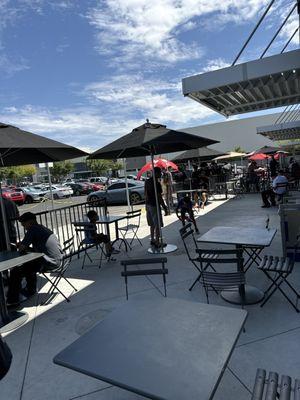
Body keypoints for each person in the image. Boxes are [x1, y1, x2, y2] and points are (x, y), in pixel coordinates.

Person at [6, 212, 63, 306]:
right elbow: (38, 248)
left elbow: (21, 248)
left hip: (49, 263)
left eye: (24, 225)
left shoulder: (33, 229)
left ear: (31, 222)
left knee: (16, 271)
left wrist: (20, 245)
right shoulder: (42, 228)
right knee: (28, 265)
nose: (25, 228)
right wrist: (25, 246)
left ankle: (13, 300)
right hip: (59, 261)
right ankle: (31, 289)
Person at [144, 167, 168, 248]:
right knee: (157, 224)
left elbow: (145, 194)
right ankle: (157, 242)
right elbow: (159, 197)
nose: (161, 174)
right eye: (160, 172)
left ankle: (153, 240)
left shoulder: (147, 181)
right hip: (154, 205)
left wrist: (146, 204)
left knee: (152, 224)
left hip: (148, 205)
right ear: (156, 173)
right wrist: (164, 207)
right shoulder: (156, 183)